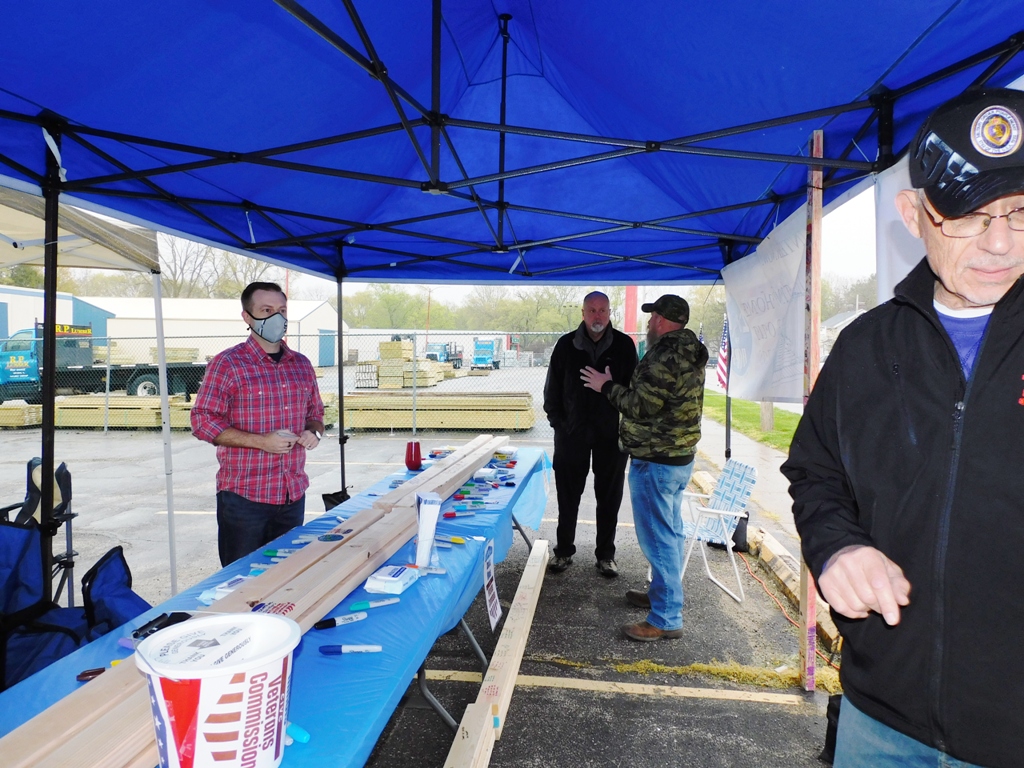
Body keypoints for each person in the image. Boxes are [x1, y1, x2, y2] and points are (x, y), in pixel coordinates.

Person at [782, 88, 1024, 768]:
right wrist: (837, 549)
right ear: (913, 215)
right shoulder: (865, 346)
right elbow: (816, 474)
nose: (1000, 242)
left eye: (1021, 212)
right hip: (879, 722)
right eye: (969, 216)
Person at [581, 294, 707, 641]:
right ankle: (661, 596)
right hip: (678, 458)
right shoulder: (690, 351)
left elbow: (641, 406)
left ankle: (665, 617)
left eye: (653, 318)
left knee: (658, 539)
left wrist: (606, 386)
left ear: (663, 321)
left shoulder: (664, 355)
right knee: (670, 533)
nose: (650, 323)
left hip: (656, 459)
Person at [191, 281, 325, 567]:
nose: (277, 317)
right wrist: (262, 442)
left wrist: (313, 432)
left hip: (292, 495)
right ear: (247, 317)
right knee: (241, 580)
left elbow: (316, 413)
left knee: (287, 576)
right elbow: (202, 420)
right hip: (245, 498)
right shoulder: (228, 364)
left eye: (282, 310)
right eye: (266, 310)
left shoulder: (301, 365)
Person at [543, 291, 638, 577]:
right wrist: (560, 424)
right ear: (583, 313)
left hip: (611, 437)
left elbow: (634, 393)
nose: (598, 316)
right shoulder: (566, 346)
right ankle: (563, 551)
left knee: (609, 497)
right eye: (592, 310)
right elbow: (551, 391)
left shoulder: (624, 346)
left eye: (603, 310)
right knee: (568, 496)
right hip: (571, 436)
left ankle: (606, 556)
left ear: (610, 313)